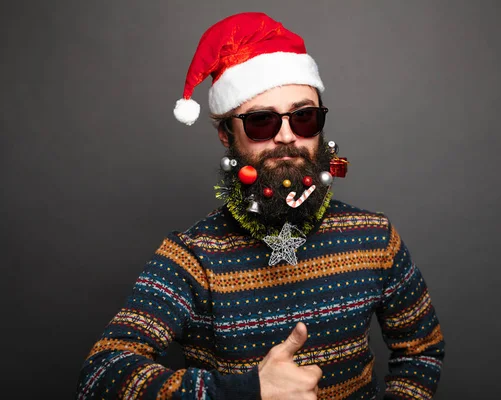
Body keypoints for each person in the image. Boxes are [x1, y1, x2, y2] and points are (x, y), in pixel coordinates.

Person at [77, 12, 445, 400]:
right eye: (261, 122)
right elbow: (100, 378)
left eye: (304, 117)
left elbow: (422, 351)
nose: (286, 136)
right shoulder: (192, 258)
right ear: (225, 134)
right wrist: (244, 391)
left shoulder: (374, 236)